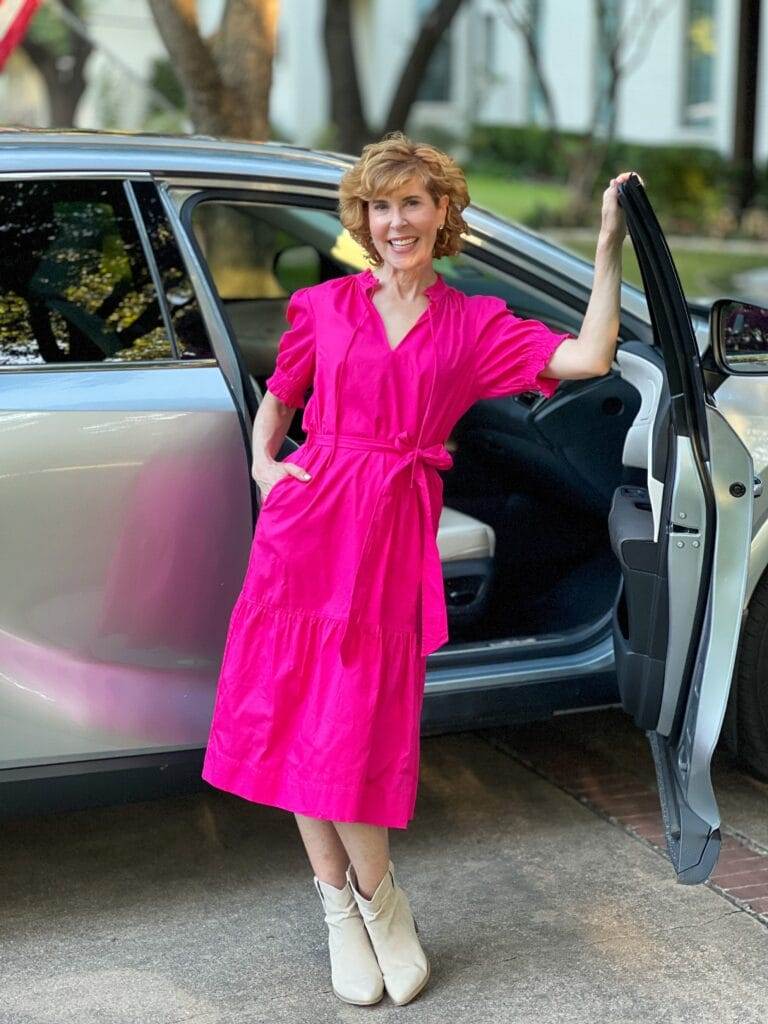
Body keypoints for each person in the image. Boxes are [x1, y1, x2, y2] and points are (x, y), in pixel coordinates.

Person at [201, 131, 637, 1006]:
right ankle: (341, 911)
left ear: (443, 214)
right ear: (361, 218)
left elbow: (586, 360)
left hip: (393, 531)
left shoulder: (473, 323)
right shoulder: (323, 305)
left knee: (356, 723)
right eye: (379, 205)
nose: (394, 221)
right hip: (308, 527)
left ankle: (382, 900)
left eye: (411, 203)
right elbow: (280, 397)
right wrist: (263, 464)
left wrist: (607, 248)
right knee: (297, 715)